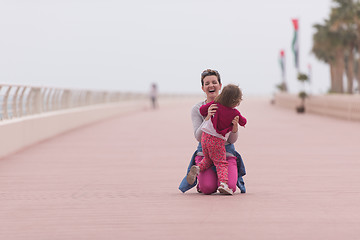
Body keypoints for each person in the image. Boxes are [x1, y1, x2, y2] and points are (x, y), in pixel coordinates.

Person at [178, 69, 247, 195]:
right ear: (203, 88)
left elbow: (232, 140)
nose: (211, 85)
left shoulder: (231, 108)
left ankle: (216, 177)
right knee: (207, 188)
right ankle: (202, 180)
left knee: (230, 187)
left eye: (214, 82)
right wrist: (208, 117)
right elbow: (198, 137)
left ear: (220, 86)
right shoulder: (198, 109)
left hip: (226, 153)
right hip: (205, 152)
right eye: (207, 83)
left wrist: (235, 126)